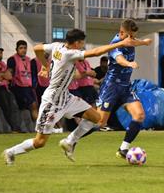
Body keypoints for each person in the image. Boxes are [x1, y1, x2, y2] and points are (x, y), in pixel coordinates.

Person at [2, 28, 150, 165]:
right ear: (77, 42)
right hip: (52, 101)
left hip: (66, 97)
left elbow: (37, 48)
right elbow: (96, 52)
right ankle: (10, 152)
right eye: (82, 43)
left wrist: (45, 65)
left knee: (96, 118)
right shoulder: (69, 53)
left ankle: (70, 141)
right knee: (39, 142)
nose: (82, 46)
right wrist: (121, 43)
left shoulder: (56, 46)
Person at [63, 19, 152, 161]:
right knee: (100, 122)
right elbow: (120, 59)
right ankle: (71, 140)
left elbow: (133, 42)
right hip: (111, 87)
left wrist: (144, 42)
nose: (133, 39)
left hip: (125, 86)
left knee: (139, 115)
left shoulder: (128, 39)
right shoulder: (115, 45)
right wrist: (129, 63)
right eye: (131, 36)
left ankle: (123, 149)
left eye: (134, 36)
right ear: (122, 33)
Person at [0, 45, 22, 132]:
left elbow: (9, 77)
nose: (0, 55)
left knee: (13, 108)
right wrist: (3, 75)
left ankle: (16, 127)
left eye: (1, 53)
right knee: (6, 108)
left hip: (5, 88)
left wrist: (2, 75)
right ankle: (14, 128)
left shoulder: (3, 64)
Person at [7, 40, 38, 123]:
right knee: (31, 105)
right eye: (21, 48)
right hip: (18, 87)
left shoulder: (29, 60)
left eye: (25, 48)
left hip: (28, 87)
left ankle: (36, 126)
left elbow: (33, 75)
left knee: (34, 105)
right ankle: (38, 127)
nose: (23, 50)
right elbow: (9, 73)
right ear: (16, 49)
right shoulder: (12, 59)